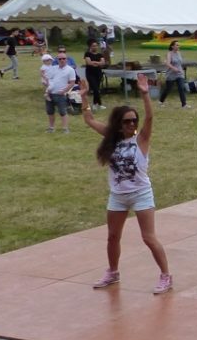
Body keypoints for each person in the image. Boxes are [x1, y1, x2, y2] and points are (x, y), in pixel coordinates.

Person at [82, 73, 173, 294]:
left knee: (148, 237)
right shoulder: (112, 138)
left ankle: (166, 275)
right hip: (118, 195)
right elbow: (90, 120)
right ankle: (113, 272)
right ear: (118, 124)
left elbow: (150, 118)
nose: (132, 124)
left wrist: (144, 94)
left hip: (141, 193)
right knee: (113, 236)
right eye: (127, 121)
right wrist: (84, 98)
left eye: (134, 120)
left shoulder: (140, 139)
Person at [44, 50, 77, 133]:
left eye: (64, 58)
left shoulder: (70, 70)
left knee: (63, 112)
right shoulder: (53, 68)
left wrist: (64, 91)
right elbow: (48, 78)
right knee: (50, 111)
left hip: (61, 94)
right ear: (57, 60)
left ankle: (65, 128)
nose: (62, 60)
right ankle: (51, 128)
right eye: (60, 59)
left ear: (66, 59)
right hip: (50, 93)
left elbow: (72, 82)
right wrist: (47, 89)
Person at [160, 39, 189, 108]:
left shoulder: (179, 53)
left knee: (181, 88)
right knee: (168, 89)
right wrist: (174, 68)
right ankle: (161, 101)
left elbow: (179, 62)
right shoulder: (169, 53)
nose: (178, 46)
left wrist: (180, 69)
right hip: (171, 74)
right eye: (177, 45)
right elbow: (167, 63)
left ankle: (184, 104)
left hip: (179, 74)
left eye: (179, 45)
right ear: (172, 46)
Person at [83, 40, 106, 110]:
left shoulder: (100, 55)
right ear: (90, 47)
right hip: (90, 74)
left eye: (96, 46)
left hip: (98, 74)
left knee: (97, 89)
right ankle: (98, 104)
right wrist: (98, 62)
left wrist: (95, 63)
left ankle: (96, 104)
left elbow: (103, 63)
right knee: (95, 89)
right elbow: (89, 63)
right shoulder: (87, 54)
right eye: (93, 46)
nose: (95, 47)